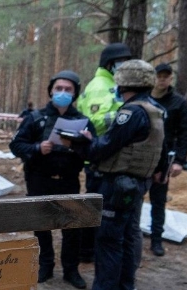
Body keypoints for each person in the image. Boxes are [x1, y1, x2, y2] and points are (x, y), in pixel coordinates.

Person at [72, 60, 167, 290]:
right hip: (136, 184)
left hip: (117, 185)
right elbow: (160, 151)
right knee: (126, 239)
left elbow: (106, 147)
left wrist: (85, 144)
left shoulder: (131, 113)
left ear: (124, 82)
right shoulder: (155, 110)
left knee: (109, 242)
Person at [9, 70, 95, 289]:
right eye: (59, 88)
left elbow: (93, 153)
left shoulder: (82, 122)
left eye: (68, 89)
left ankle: (71, 270)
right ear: (51, 91)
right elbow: (16, 145)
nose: (63, 93)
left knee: (71, 226)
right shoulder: (35, 118)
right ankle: (45, 266)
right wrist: (38, 148)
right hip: (39, 180)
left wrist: (86, 143)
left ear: (75, 93)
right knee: (42, 225)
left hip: (68, 180)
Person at [76, 42, 133, 264]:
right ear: (109, 63)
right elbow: (95, 121)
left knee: (103, 207)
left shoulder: (112, 84)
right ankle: (88, 251)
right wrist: (124, 116)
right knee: (96, 207)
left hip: (108, 155)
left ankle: (90, 249)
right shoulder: (101, 85)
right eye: (121, 61)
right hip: (99, 157)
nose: (124, 65)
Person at [148, 63, 187, 257]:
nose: (163, 79)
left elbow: (185, 132)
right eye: (159, 76)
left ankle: (156, 239)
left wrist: (179, 161)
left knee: (158, 200)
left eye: (166, 76)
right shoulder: (144, 98)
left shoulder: (178, 102)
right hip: (141, 156)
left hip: (164, 159)